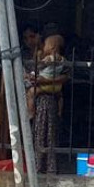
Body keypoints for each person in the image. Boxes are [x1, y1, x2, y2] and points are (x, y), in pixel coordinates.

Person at [27, 25, 67, 175]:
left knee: (41, 134)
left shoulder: (49, 59)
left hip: (45, 99)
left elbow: (38, 71)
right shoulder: (62, 61)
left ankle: (39, 166)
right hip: (51, 97)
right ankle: (47, 166)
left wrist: (39, 78)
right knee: (47, 135)